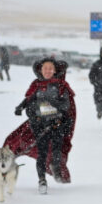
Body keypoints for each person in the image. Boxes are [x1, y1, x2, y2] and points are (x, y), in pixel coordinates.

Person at [16, 57, 76, 194]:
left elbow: (66, 105)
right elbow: (29, 102)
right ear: (40, 70)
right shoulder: (35, 85)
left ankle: (56, 169)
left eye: (50, 68)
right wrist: (22, 109)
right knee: (42, 153)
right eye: (45, 68)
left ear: (55, 71)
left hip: (57, 124)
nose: (47, 71)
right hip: (40, 125)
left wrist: (53, 108)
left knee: (56, 152)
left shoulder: (61, 86)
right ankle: (42, 180)